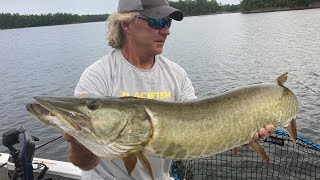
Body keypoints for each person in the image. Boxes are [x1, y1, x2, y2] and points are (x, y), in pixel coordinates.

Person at [63, 0, 275, 179]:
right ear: (127, 24)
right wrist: (78, 140)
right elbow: (86, 164)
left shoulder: (176, 74)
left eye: (168, 21)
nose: (166, 30)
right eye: (157, 21)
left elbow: (200, 130)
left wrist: (242, 133)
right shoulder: (98, 76)